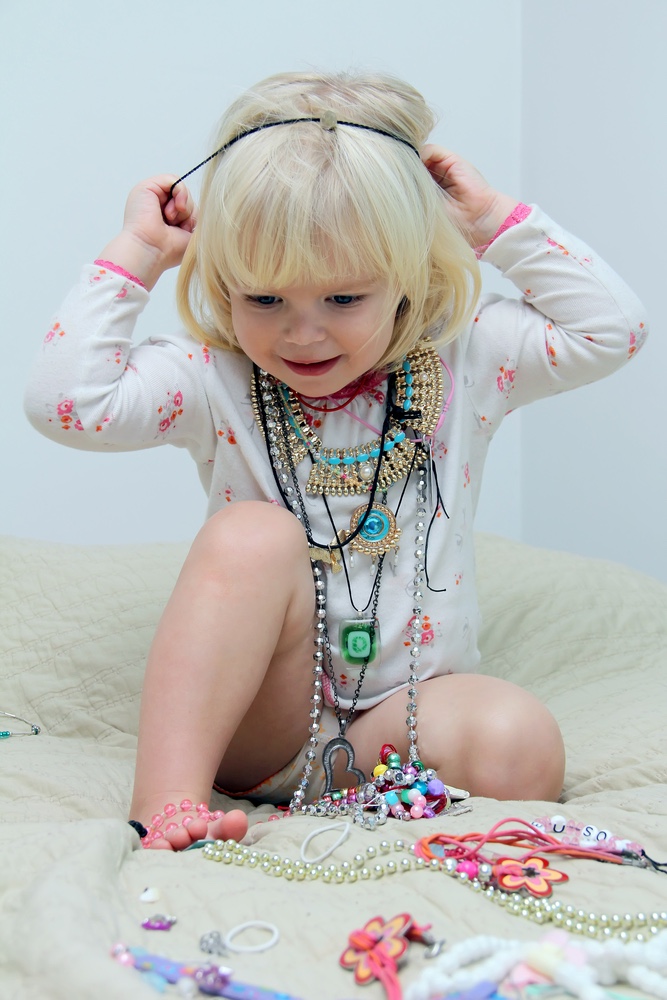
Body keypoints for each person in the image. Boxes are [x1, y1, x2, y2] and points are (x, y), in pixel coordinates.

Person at [25, 71, 648, 851]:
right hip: (263, 724)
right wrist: (141, 252)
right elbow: (65, 405)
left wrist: (492, 220)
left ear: (409, 277)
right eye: (264, 300)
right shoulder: (211, 377)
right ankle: (170, 801)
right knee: (252, 533)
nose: (302, 334)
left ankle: (350, 799)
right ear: (222, 287)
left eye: (343, 300)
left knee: (521, 741)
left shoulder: (469, 357)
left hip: (404, 720)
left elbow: (611, 329)